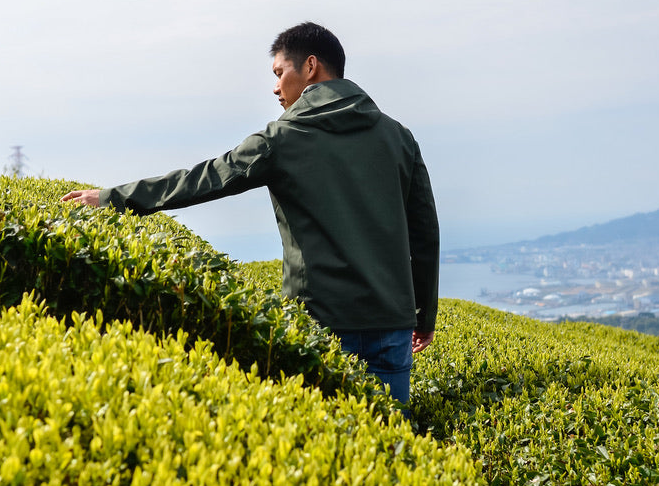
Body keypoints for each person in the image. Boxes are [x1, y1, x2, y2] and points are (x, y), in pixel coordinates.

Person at [61, 22, 439, 406]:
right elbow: (424, 234)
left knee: (322, 445)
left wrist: (112, 198)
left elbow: (205, 178)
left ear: (310, 67)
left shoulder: (283, 139)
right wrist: (424, 316)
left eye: (279, 73)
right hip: (392, 324)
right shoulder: (399, 137)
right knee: (391, 447)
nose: (276, 88)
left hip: (322, 322)